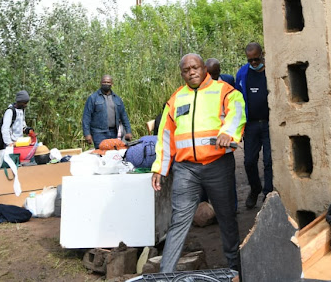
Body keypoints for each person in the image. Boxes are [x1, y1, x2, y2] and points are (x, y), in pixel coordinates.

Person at [152, 54, 245, 273]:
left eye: (195, 67)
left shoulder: (224, 91)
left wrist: (228, 133)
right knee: (179, 221)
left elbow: (238, 112)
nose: (191, 72)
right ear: (182, 73)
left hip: (218, 164)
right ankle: (166, 274)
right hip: (186, 170)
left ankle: (236, 270)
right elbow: (165, 135)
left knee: (226, 218)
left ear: (204, 69)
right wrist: (159, 167)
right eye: (186, 70)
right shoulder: (176, 99)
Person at [235, 42, 273, 208]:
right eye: (250, 60)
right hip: (251, 125)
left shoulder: (272, 70)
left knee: (269, 161)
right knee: (249, 161)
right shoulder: (243, 73)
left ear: (262, 54)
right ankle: (255, 188)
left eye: (256, 59)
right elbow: (237, 100)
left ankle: (268, 194)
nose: (254, 63)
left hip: (269, 124)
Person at [82, 75, 133, 149]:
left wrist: (128, 131)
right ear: (101, 83)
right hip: (98, 133)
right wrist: (87, 134)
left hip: (113, 132)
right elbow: (86, 117)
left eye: (108, 82)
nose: (106, 84)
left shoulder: (117, 99)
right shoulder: (93, 98)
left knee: (112, 155)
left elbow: (124, 116)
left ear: (112, 84)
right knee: (101, 154)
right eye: (104, 82)